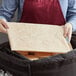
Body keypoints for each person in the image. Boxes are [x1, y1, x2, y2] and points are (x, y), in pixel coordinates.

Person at [0, 0, 76, 42]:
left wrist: (71, 24)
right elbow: (4, 13)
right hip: (25, 43)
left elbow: (74, 14)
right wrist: (1, 20)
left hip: (59, 44)